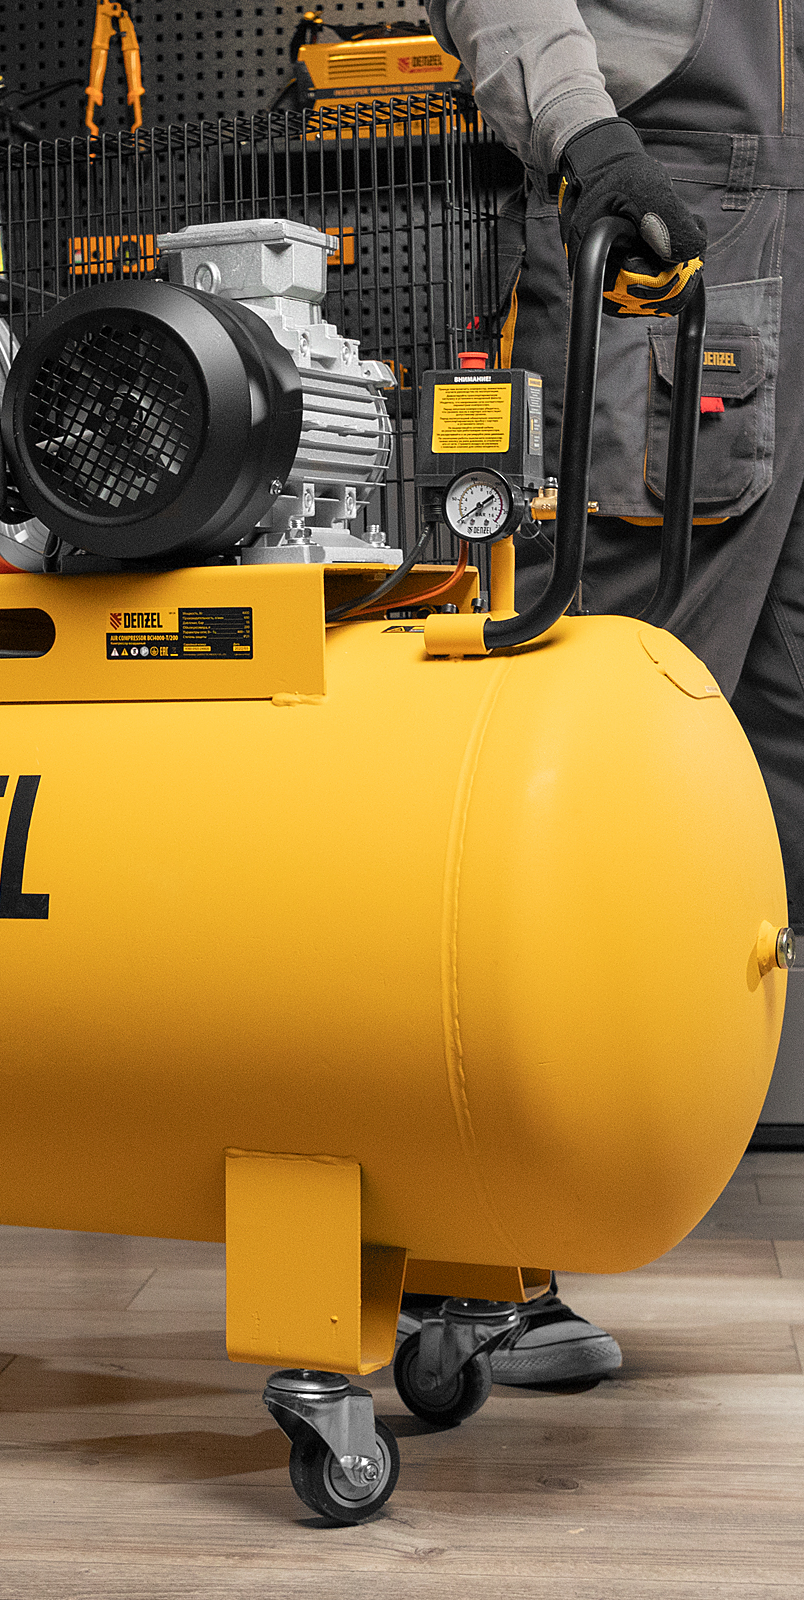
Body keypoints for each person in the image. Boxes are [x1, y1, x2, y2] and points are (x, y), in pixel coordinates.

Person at [405, 0, 804, 1386]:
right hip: (659, 243)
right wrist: (589, 137)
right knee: (576, 770)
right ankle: (472, 1258)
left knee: (777, 768)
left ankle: (591, 1173)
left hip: (779, 266)